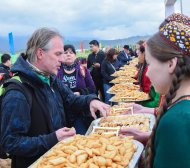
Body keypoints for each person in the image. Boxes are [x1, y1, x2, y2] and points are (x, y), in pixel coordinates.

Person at [0, 28, 110, 168]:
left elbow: (70, 99)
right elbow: (10, 142)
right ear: (40, 53)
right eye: (58, 54)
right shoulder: (18, 92)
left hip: (59, 159)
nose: (63, 58)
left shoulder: (50, 78)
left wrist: (91, 101)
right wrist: (53, 139)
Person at [121, 14, 190, 168]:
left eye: (150, 64)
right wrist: (153, 139)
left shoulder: (176, 121)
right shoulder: (180, 110)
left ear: (171, 64)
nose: (147, 73)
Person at [57, 44, 96, 134]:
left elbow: (92, 88)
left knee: (81, 135)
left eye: (71, 52)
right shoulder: (56, 71)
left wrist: (80, 93)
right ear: (61, 56)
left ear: (75, 55)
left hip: (80, 111)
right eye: (65, 52)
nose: (68, 54)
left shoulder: (83, 70)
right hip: (64, 112)